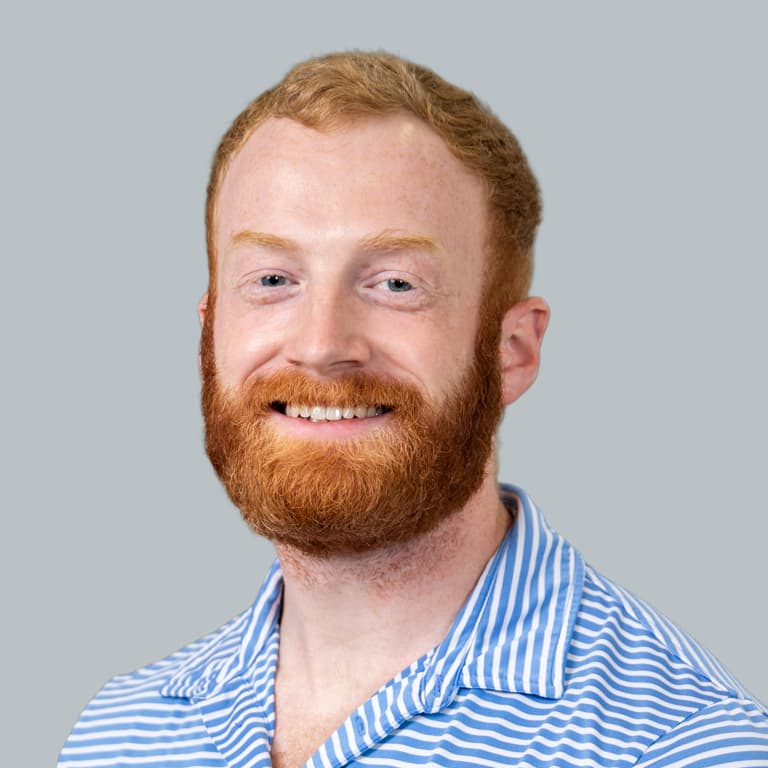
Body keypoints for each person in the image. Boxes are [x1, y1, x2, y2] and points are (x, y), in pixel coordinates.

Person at [59, 51, 768, 768]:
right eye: (272, 279)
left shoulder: (679, 745)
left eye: (396, 284)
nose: (320, 345)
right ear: (209, 331)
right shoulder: (119, 734)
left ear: (513, 350)